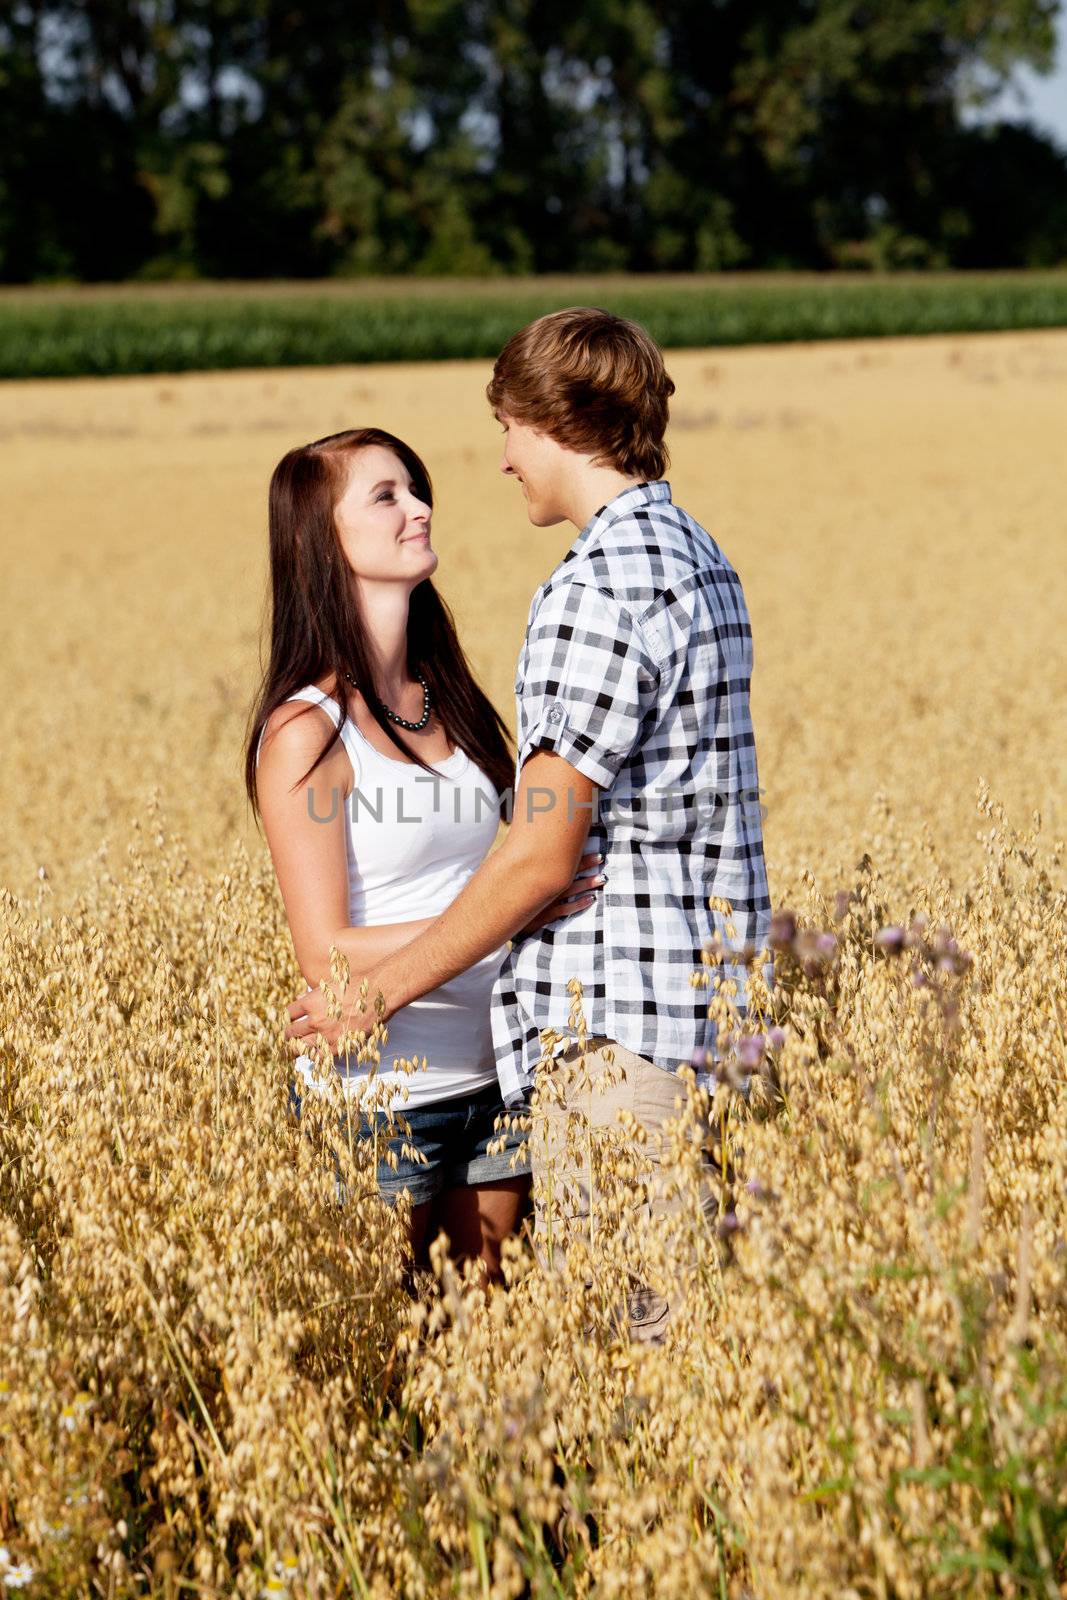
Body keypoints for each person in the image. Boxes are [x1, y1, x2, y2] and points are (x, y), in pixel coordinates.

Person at [284, 312, 772, 1337]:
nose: (502, 459)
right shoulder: (705, 561)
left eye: (508, 425)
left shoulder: (590, 587)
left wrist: (371, 989)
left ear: (556, 420)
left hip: (618, 1043)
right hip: (710, 1028)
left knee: (640, 1370)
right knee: (689, 1353)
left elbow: (543, 848)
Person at [245, 426, 603, 1285]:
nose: (419, 508)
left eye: (415, 488)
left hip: (498, 1072)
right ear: (322, 542)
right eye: (386, 496)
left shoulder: (454, 700)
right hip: (379, 1096)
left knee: (485, 1345)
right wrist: (511, 909)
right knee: (387, 1360)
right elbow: (322, 950)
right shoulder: (306, 731)